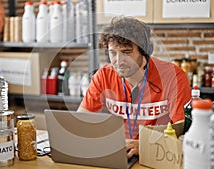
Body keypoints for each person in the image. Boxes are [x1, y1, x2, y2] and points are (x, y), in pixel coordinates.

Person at [77, 16, 191, 158]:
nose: (119, 61)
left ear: (145, 51)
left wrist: (145, 144)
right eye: (113, 53)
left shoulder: (173, 76)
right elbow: (81, 119)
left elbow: (182, 129)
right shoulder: (103, 75)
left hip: (159, 152)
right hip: (119, 152)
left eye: (126, 52)